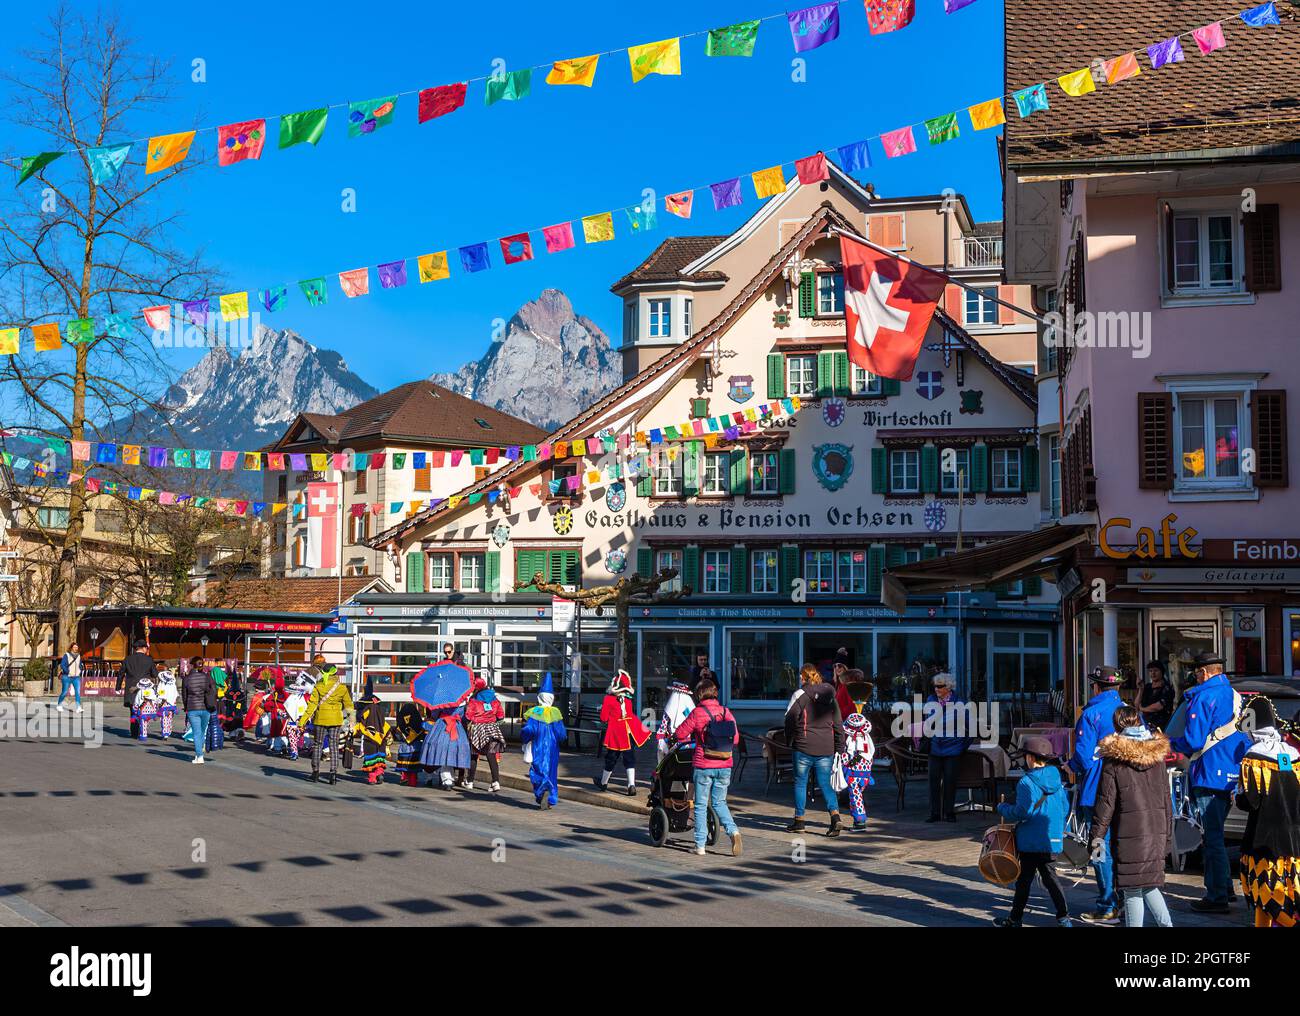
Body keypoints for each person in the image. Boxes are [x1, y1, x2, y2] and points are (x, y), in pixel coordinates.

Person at [1170, 651, 1250, 914]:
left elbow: (1193, 741)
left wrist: (1169, 743)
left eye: (1197, 674)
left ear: (1204, 673)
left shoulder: (1203, 696)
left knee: (1212, 837)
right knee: (1218, 834)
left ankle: (1216, 896)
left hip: (1210, 773)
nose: (1196, 678)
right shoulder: (1236, 696)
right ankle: (1225, 887)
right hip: (1234, 774)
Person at [1089, 705, 1174, 928]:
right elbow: (1167, 800)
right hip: (1156, 831)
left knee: (1133, 888)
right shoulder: (1157, 756)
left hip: (1129, 833)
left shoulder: (1114, 760)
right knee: (1148, 885)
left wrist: (1096, 838)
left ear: (1117, 726)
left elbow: (1105, 804)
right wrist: (1168, 836)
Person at [993, 735, 1071, 928]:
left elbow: (1023, 812)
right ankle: (1064, 918)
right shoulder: (1056, 778)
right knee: (1052, 880)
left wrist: (1002, 808)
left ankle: (1015, 919)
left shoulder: (1026, 782)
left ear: (1030, 757)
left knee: (1024, 882)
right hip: (1051, 839)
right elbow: (1065, 807)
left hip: (1030, 841)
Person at [1235, 697, 1300, 927]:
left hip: (1263, 837)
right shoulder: (1291, 753)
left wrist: (1237, 795)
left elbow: (1249, 802)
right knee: (1286, 890)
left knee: (1263, 891)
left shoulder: (1253, 756)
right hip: (1292, 838)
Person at [1069, 665, 1125, 922]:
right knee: (1120, 845)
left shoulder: (1091, 713)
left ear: (1096, 686)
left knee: (1099, 846)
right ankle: (1124, 900)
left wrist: (1068, 766)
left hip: (1097, 789)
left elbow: (1082, 757)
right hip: (1126, 790)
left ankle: (1107, 904)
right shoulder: (1129, 713)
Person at [669, 677, 742, 857]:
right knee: (720, 802)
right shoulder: (726, 712)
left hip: (704, 765)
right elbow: (736, 739)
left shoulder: (697, 713)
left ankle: (700, 845)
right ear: (715, 693)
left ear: (699, 694)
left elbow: (680, 733)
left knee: (701, 805)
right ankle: (733, 832)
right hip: (725, 764)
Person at [784, 667, 844, 836]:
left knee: (800, 782)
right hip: (826, 747)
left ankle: (799, 820)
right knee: (826, 783)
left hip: (803, 746)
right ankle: (835, 817)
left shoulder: (800, 695)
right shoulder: (830, 695)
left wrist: (790, 739)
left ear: (803, 678)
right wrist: (839, 746)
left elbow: (789, 718)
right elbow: (838, 723)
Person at [297, 656, 354, 784]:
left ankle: (315, 773)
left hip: (320, 720)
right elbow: (349, 706)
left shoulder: (319, 686)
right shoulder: (342, 688)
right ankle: (333, 775)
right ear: (335, 673)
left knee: (317, 745)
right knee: (334, 746)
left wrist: (302, 721)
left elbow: (311, 705)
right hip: (336, 721)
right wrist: (352, 722)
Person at [594, 670, 651, 797]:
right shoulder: (628, 699)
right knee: (629, 758)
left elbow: (603, 718)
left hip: (616, 732)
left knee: (611, 758)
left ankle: (603, 783)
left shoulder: (608, 699)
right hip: (630, 731)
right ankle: (631, 785)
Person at [925, 672, 971, 825]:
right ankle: (935, 813)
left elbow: (970, 727)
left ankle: (949, 812)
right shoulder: (930, 700)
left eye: (940, 686)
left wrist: (962, 746)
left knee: (950, 782)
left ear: (948, 687)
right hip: (935, 748)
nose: (937, 689)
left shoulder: (960, 703)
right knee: (933, 782)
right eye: (935, 686)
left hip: (953, 748)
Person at [521, 673, 566, 809]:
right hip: (553, 747)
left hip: (538, 745)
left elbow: (528, 730)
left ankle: (541, 791)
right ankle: (551, 797)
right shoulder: (556, 713)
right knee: (552, 770)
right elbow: (561, 734)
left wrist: (524, 739)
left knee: (537, 769)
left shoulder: (535, 713)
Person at [419, 677, 472, 790]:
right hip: (456, 728)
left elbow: (434, 715)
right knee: (451, 752)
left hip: (441, 726)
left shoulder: (440, 700)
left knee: (441, 751)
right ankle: (449, 778)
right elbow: (464, 716)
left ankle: (446, 779)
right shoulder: (461, 701)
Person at [465, 677, 506, 792]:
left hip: (478, 729)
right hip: (492, 729)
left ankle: (470, 781)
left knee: (474, 755)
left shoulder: (473, 700)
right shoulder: (494, 699)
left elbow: (468, 716)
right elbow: (501, 715)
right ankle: (495, 782)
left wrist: (474, 719)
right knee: (491, 755)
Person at [840, 712, 876, 832]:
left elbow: (848, 755)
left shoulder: (852, 739)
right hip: (865, 771)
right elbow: (870, 754)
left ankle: (860, 822)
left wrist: (841, 761)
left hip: (854, 772)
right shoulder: (867, 737)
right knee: (857, 795)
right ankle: (859, 820)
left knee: (856, 797)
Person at [352, 680, 392, 785]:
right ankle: (379, 773)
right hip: (381, 739)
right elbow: (386, 726)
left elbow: (360, 724)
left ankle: (372, 777)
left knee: (370, 759)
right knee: (379, 758)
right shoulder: (380, 713)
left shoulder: (366, 713)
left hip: (369, 740)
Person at [116, 640, 159, 738]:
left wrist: (118, 686)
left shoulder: (128, 659)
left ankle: (134, 731)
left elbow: (121, 673)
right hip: (145, 689)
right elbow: (155, 674)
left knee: (133, 711)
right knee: (144, 709)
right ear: (143, 648)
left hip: (131, 688)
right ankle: (142, 730)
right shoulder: (149, 660)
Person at [181, 656, 217, 765]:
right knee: (201, 732)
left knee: (196, 733)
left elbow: (184, 695)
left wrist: (186, 707)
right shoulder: (207, 677)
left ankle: (199, 756)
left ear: (192, 665)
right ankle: (198, 754)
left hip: (193, 708)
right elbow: (213, 690)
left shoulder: (187, 679)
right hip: (205, 708)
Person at [656, 681, 696, 762]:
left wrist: (661, 739)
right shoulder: (689, 707)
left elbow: (662, 728)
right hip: (687, 744)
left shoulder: (671, 708)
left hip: (674, 743)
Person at [393, 703, 426, 787]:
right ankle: (413, 781)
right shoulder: (416, 717)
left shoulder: (401, 717)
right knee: (413, 765)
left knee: (404, 763)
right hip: (415, 746)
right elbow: (421, 730)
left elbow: (398, 732)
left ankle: (404, 778)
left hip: (404, 745)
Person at [1138, 660, 1175, 731]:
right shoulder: (1147, 687)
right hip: (1145, 725)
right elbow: (1136, 705)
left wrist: (1143, 709)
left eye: (1156, 670)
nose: (1153, 673)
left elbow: (1159, 706)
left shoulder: (1167, 687)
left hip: (1161, 726)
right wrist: (1141, 690)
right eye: (1150, 671)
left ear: (1162, 672)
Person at [55, 643, 84, 713]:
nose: (75, 648)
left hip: (76, 677)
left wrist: (80, 669)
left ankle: (78, 707)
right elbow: (62, 665)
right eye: (74, 647)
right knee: (64, 692)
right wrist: (67, 671)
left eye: (77, 647)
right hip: (67, 676)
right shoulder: (67, 655)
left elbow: (80, 664)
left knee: (78, 692)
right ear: (71, 648)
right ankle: (59, 705)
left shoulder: (79, 656)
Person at [131, 677, 159, 741]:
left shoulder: (140, 692)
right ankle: (144, 732)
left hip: (142, 710)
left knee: (142, 722)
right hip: (151, 710)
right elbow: (155, 701)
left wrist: (134, 709)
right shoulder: (152, 691)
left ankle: (143, 735)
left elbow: (136, 702)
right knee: (146, 722)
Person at [156, 670, 179, 738]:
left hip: (165, 704)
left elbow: (160, 694)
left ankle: (165, 733)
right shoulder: (173, 685)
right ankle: (168, 731)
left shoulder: (162, 684)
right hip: (172, 704)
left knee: (164, 719)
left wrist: (159, 702)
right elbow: (175, 694)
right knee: (169, 718)